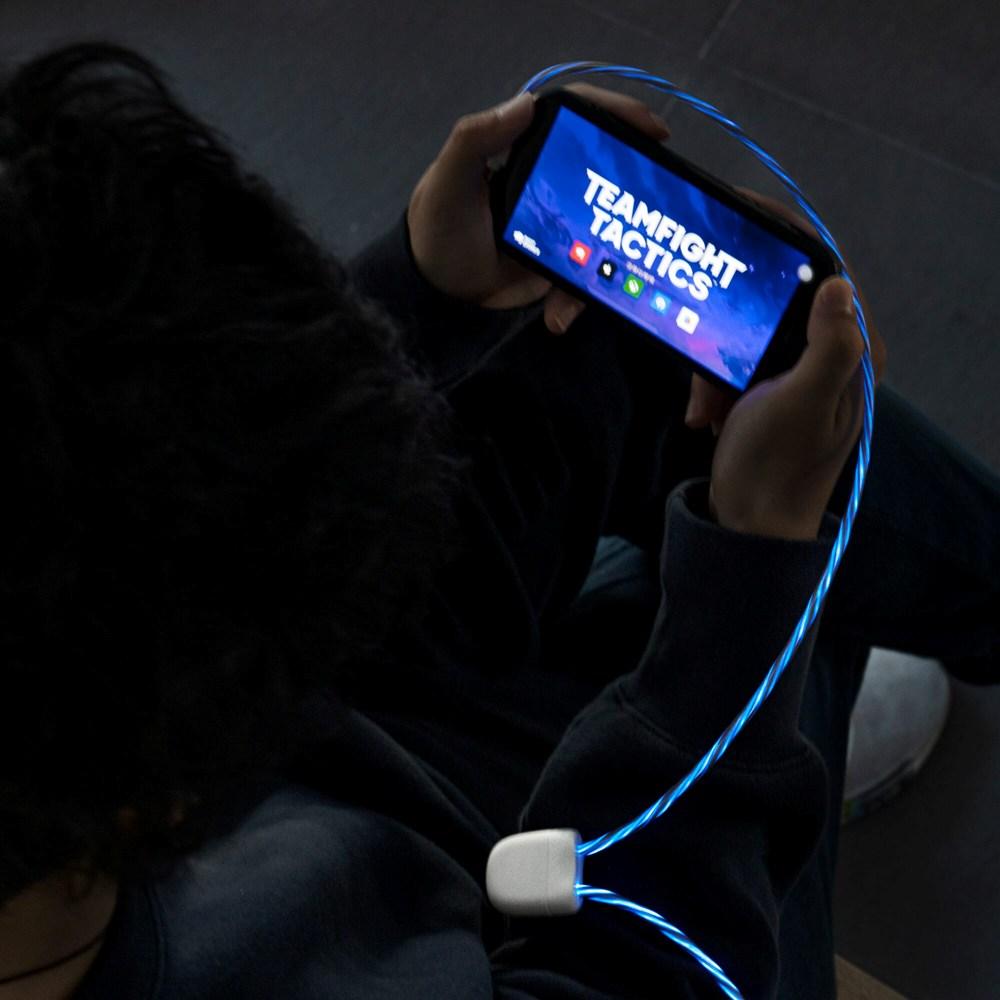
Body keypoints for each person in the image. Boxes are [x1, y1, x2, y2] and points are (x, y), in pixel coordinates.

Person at [0, 41, 996, 1000]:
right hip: (546, 936)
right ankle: (798, 707)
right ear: (159, 793)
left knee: (619, 344)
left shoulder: (58, 757)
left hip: (352, 769)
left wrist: (416, 300)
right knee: (792, 572)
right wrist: (752, 579)